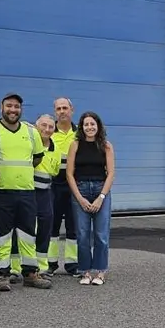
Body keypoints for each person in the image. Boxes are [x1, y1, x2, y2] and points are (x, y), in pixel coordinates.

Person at [0, 93, 53, 291]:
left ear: (21, 109)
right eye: (9, 106)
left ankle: (30, 273)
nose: (13, 110)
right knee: (1, 236)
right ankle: (2, 275)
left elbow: (37, 158)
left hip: (26, 191)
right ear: (1, 107)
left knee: (27, 235)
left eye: (16, 107)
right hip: (1, 191)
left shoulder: (30, 131)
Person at [66, 111, 115, 286]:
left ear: (98, 126)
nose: (89, 127)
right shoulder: (75, 145)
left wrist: (101, 197)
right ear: (81, 127)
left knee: (101, 235)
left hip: (100, 189)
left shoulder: (106, 146)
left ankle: (101, 272)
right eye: (86, 124)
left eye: (92, 124)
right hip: (80, 190)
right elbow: (69, 174)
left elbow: (111, 174)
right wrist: (80, 198)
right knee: (83, 234)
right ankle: (85, 272)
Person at [48, 97, 79, 276]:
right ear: (55, 112)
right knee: (52, 224)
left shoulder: (79, 133)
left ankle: (72, 264)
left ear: (71, 110)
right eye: (58, 108)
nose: (62, 111)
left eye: (65, 108)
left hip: (73, 184)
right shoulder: (49, 130)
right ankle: (51, 264)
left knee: (73, 226)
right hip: (54, 184)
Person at [33, 114, 59, 279]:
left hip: (45, 193)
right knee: (22, 229)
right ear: (36, 126)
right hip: (27, 191)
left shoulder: (55, 149)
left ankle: (42, 267)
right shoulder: (28, 142)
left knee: (45, 227)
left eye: (50, 127)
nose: (47, 129)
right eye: (43, 125)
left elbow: (55, 171)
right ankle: (15, 268)